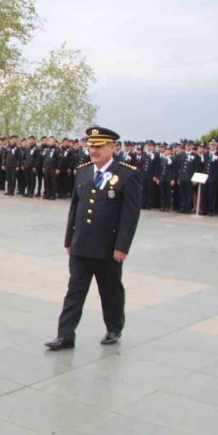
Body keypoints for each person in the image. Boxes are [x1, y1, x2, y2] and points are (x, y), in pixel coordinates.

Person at [46, 126, 142, 351]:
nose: (93, 151)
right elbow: (75, 208)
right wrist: (69, 239)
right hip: (81, 246)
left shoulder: (126, 174)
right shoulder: (83, 171)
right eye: (91, 146)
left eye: (99, 147)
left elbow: (130, 216)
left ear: (112, 148)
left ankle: (114, 327)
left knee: (110, 290)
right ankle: (65, 335)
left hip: (108, 249)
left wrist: (122, 246)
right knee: (74, 291)